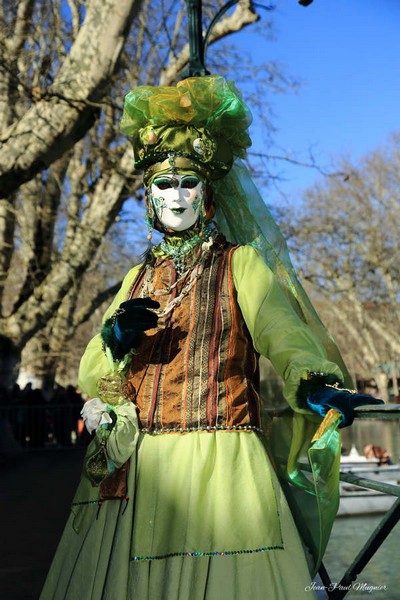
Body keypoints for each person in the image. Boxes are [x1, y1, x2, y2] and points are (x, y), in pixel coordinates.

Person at [40, 75, 382, 600]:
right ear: (148, 196)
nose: (175, 195)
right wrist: (114, 337)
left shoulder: (240, 264)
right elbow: (93, 370)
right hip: (144, 472)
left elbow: (283, 335)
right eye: (162, 184)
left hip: (223, 468)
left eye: (187, 183)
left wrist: (315, 386)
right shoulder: (137, 278)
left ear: (208, 191)